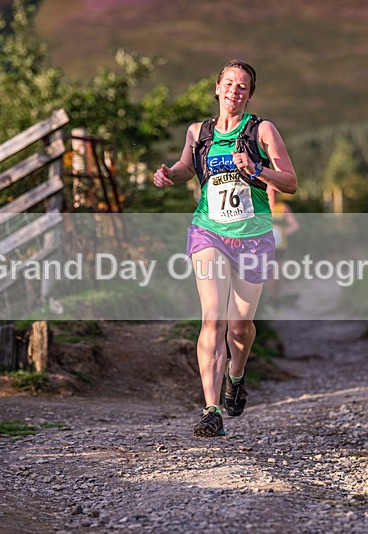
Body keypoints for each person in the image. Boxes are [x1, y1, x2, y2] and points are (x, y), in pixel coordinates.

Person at [153, 60, 297, 437]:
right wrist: (169, 174)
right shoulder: (198, 132)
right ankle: (211, 408)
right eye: (229, 83)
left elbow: (291, 182)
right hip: (209, 231)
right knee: (213, 318)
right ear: (217, 88)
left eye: (243, 85)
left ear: (249, 94)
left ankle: (236, 375)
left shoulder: (262, 130)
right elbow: (187, 167)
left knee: (240, 326)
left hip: (253, 235)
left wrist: (257, 169)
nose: (235, 90)